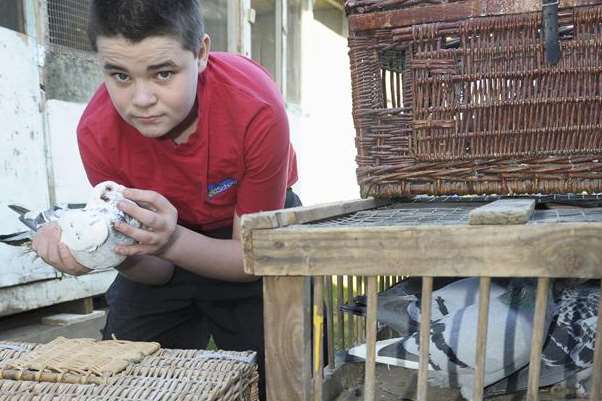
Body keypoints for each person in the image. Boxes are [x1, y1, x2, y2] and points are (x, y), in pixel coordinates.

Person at [31, 1, 299, 399]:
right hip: (157, 243)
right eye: (119, 75)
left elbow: (253, 260)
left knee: (281, 373)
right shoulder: (98, 132)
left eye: (164, 73)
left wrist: (172, 241)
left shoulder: (255, 107)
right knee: (128, 378)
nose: (140, 99)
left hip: (246, 231)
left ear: (202, 53)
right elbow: (156, 272)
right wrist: (93, 253)